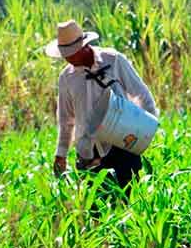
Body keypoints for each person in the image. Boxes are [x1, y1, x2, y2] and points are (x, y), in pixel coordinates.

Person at [45, 20, 158, 196]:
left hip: (122, 143)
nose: (67, 59)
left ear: (83, 47)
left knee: (127, 202)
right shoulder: (67, 78)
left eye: (70, 53)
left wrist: (147, 129)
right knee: (95, 211)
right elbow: (66, 120)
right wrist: (61, 154)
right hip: (89, 152)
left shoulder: (113, 60)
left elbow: (141, 94)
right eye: (64, 54)